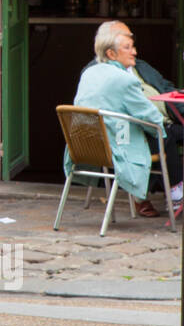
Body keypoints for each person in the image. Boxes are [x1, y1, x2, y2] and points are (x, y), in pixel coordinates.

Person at [68, 26, 176, 218]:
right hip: (117, 148)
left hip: (86, 148)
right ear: (111, 53)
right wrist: (160, 128)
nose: (134, 52)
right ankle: (178, 193)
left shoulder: (88, 74)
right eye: (128, 47)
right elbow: (151, 118)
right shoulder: (124, 79)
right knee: (168, 135)